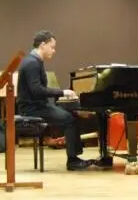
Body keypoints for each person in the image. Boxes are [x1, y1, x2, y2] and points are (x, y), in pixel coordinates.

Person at [17, 30, 90, 171]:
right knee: (70, 119)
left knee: (72, 114)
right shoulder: (32, 63)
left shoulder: (34, 61)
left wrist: (60, 95)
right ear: (42, 45)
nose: (54, 51)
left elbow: (38, 90)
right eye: (52, 47)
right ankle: (73, 161)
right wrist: (62, 92)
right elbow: (37, 90)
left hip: (36, 105)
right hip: (31, 109)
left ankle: (75, 157)